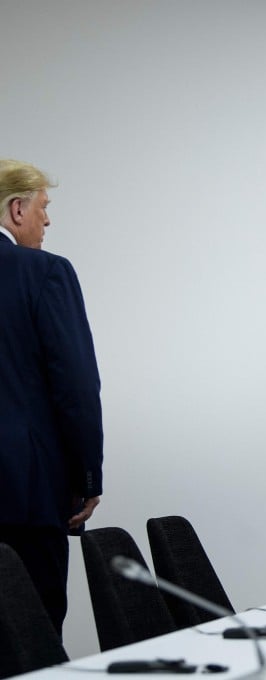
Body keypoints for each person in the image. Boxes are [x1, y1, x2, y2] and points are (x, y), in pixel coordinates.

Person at [0, 159, 103, 635]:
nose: (47, 220)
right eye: (43, 207)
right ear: (17, 209)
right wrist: (85, 477)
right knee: (31, 641)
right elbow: (75, 386)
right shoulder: (44, 272)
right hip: (23, 497)